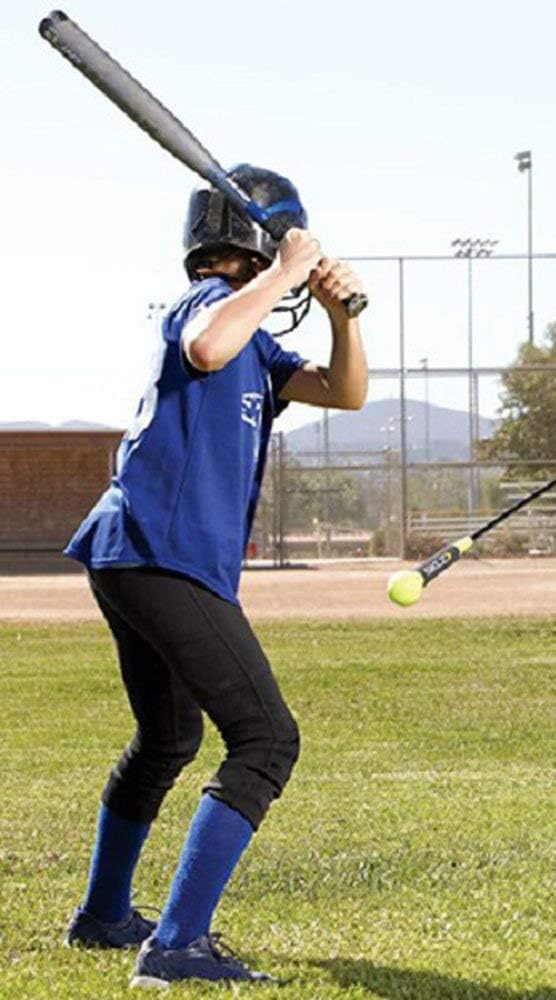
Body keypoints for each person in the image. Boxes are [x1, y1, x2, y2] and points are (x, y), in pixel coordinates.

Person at [62, 164, 368, 986]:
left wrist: (340, 314)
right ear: (261, 243)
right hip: (162, 553)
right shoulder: (208, 307)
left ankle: (104, 917)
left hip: (146, 555)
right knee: (266, 739)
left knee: (169, 738)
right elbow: (204, 345)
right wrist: (285, 271)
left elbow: (347, 391)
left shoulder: (259, 342)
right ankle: (177, 946)